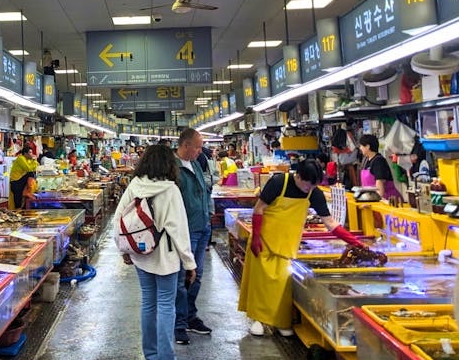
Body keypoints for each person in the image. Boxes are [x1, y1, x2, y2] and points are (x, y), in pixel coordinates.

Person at [238, 159, 368, 337]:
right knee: (262, 284)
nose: (309, 189)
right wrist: (257, 237)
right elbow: (259, 209)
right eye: (307, 185)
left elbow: (329, 222)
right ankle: (258, 319)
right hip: (264, 242)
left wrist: (355, 242)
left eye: (313, 186)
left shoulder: (313, 193)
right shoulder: (278, 183)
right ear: (297, 176)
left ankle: (280, 321)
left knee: (284, 283)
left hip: (287, 245)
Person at [114, 144, 196, 360]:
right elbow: (179, 229)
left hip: (141, 255)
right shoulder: (170, 190)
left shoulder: (135, 185)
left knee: (149, 304)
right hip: (166, 257)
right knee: (166, 306)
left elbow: (119, 219)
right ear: (169, 165)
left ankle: (152, 358)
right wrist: (189, 262)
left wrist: (124, 250)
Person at [173, 128, 213, 345]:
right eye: (197, 146)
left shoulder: (197, 164)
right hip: (185, 231)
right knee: (181, 279)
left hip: (202, 227)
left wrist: (209, 215)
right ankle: (179, 324)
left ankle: (190, 317)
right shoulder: (173, 168)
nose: (201, 150)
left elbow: (205, 192)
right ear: (186, 145)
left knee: (196, 277)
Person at [358, 134, 403, 201]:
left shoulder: (379, 161)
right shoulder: (366, 161)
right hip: (371, 199)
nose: (360, 148)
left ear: (367, 146)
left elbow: (380, 191)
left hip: (387, 200)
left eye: (361, 145)